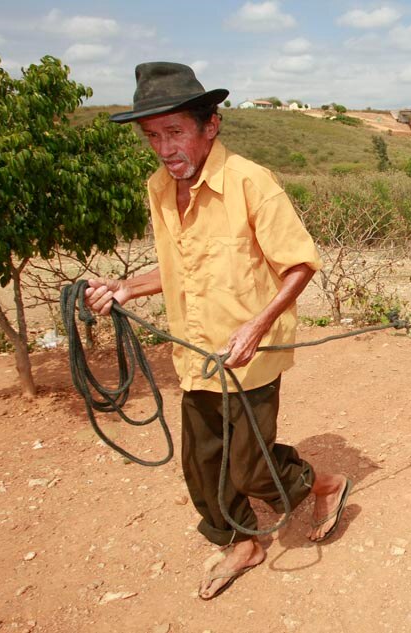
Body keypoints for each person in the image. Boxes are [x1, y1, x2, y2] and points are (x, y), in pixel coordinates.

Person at [84, 62, 352, 600]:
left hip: (250, 352)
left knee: (250, 468)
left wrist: (257, 323)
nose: (163, 148)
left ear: (211, 125)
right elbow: (178, 264)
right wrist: (124, 289)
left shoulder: (252, 183)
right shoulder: (160, 188)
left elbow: (299, 263)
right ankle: (242, 541)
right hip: (195, 351)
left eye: (175, 131)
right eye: (153, 136)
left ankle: (325, 483)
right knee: (203, 467)